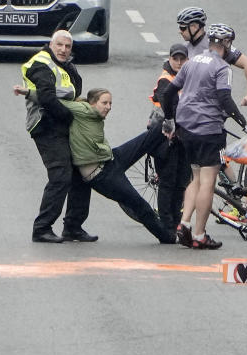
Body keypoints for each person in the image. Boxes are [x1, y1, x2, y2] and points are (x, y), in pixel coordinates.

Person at [30, 87, 174, 243]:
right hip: (102, 175)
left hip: (111, 159)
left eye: (110, 103)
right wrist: (26, 92)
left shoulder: (96, 114)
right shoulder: (79, 110)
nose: (108, 107)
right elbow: (50, 100)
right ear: (92, 103)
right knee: (139, 205)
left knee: (148, 138)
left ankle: (176, 124)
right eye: (104, 103)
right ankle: (168, 238)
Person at [160, 23, 247, 249]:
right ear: (225, 43)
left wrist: (169, 119)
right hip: (208, 129)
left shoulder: (191, 61)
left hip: (186, 128)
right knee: (207, 181)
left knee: (195, 177)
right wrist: (245, 125)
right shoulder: (222, 68)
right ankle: (199, 234)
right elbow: (224, 98)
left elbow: (168, 92)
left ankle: (184, 223)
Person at [22, 30, 93, 244]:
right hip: (46, 124)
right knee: (60, 175)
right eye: (59, 45)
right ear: (51, 45)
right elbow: (47, 98)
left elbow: (73, 90)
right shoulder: (41, 64)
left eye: (68, 46)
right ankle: (42, 228)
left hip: (62, 125)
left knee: (82, 173)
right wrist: (71, 116)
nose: (63, 50)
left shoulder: (65, 64)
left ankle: (73, 226)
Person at [176, 6, 247, 106]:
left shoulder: (215, 43)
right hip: (189, 106)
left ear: (195, 26)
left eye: (183, 28)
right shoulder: (184, 48)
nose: (180, 31)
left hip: (211, 108)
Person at [149, 43, 191, 234]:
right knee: (168, 181)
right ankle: (166, 223)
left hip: (183, 138)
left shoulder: (188, 78)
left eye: (183, 59)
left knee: (181, 180)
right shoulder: (165, 79)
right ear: (170, 59)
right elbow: (168, 100)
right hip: (165, 138)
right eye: (176, 59)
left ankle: (176, 221)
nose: (179, 63)